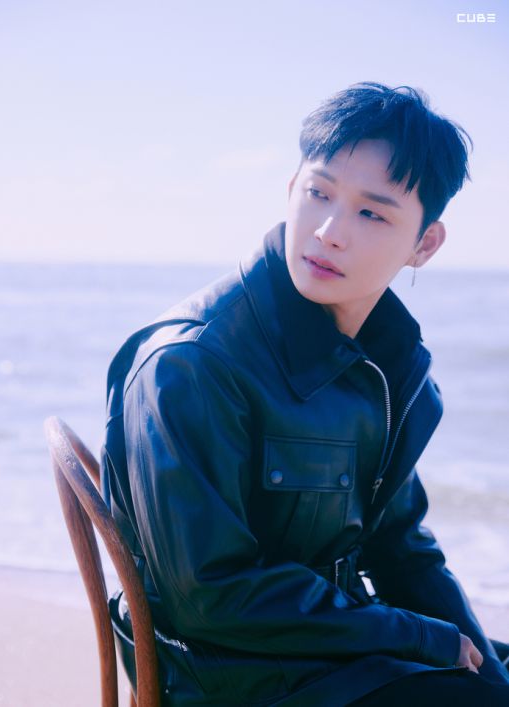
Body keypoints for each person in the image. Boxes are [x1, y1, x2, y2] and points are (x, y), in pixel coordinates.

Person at [101, 82, 509, 705]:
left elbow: (403, 549)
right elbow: (209, 595)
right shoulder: (191, 363)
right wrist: (422, 638)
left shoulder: (386, 365)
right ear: (292, 188)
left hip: (337, 653)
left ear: (424, 244)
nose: (329, 231)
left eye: (372, 214)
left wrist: (478, 663)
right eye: (319, 193)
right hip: (228, 677)